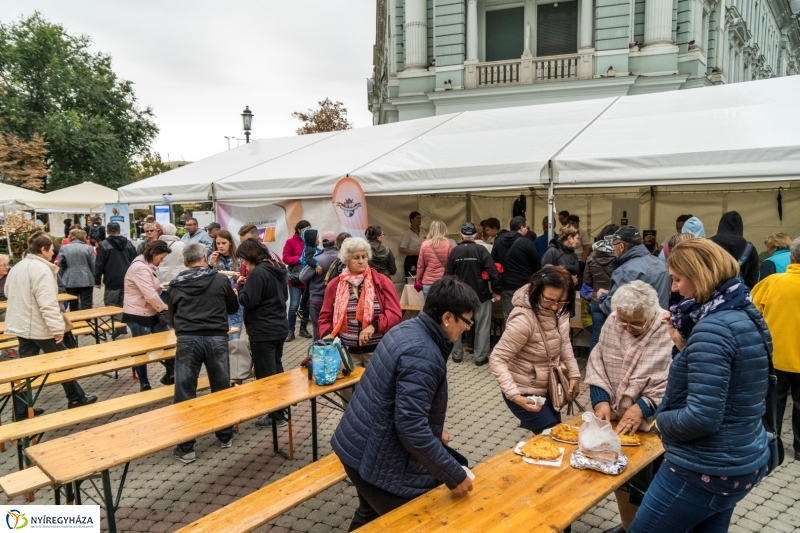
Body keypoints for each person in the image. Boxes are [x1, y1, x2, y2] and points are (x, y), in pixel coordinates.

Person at [628, 238, 771, 533]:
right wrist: (683, 345)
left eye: (678, 279)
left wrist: (660, 422)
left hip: (704, 467)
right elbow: (731, 383)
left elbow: (702, 416)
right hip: (740, 460)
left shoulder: (713, 327)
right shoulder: (745, 313)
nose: (676, 288)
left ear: (700, 276)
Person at [330, 277, 478, 530]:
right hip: (377, 460)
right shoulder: (424, 354)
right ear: (446, 317)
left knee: (369, 516)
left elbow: (394, 399)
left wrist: (432, 430)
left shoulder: (407, 328)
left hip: (358, 447)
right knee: (413, 524)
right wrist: (453, 475)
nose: (467, 328)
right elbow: (410, 426)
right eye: (466, 321)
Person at [584, 281, 673, 533]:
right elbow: (599, 359)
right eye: (624, 321)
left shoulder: (668, 326)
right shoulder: (614, 320)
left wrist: (642, 407)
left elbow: (671, 378)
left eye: (635, 323)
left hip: (653, 422)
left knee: (648, 478)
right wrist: (600, 398)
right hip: (613, 415)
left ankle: (647, 527)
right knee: (619, 476)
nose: (627, 327)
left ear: (652, 314)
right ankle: (626, 525)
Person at [6, 234, 97, 419]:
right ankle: (76, 398)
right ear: (43, 250)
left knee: (24, 369)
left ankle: (21, 410)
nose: (53, 253)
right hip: (41, 327)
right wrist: (57, 328)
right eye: (51, 250)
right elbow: (47, 302)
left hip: (23, 325)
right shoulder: (41, 270)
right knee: (61, 362)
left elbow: (8, 291)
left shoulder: (18, 266)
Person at [169, 243, 238, 463]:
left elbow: (171, 314)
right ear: (205, 257)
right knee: (221, 387)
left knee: (185, 390)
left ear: (184, 261)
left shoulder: (176, 283)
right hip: (216, 337)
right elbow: (233, 308)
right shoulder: (220, 279)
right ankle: (225, 436)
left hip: (188, 338)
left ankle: (187, 446)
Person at [490, 265, 579, 433]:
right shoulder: (524, 320)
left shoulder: (560, 312)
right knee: (552, 434)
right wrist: (515, 395)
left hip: (550, 387)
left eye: (561, 301)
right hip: (523, 389)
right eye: (549, 300)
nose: (554, 306)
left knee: (553, 434)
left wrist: (574, 375)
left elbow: (565, 343)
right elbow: (497, 358)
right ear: (536, 291)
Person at [319, 237, 403, 371]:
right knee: (348, 392)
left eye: (364, 257)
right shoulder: (334, 285)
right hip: (346, 352)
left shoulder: (382, 282)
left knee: (376, 390)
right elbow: (325, 317)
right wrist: (327, 334)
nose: (361, 261)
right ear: (347, 260)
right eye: (356, 257)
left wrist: (373, 326)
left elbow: (394, 313)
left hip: (377, 351)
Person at [752, 237, 800, 460]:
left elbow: (752, 312)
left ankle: (773, 444)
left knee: (773, 404)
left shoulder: (771, 283)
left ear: (792, 257)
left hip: (775, 356)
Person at [237, 239, 290, 428]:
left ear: (249, 256)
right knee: (276, 369)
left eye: (243, 259)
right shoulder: (276, 268)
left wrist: (241, 287)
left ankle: (276, 415)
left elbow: (248, 300)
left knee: (266, 375)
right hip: (278, 326)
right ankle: (282, 409)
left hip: (263, 329)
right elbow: (284, 296)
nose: (243, 263)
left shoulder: (258, 273)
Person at [445, 222, 501, 365]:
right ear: (476, 235)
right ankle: (480, 357)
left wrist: (449, 293)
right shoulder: (481, 250)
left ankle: (457, 355)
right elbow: (493, 272)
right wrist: (496, 291)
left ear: (460, 236)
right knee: (482, 326)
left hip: (459, 295)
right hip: (480, 294)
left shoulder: (455, 251)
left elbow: (448, 275)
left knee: (456, 323)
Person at [123, 241, 171, 391]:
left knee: (169, 343)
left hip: (151, 311)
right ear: (154, 254)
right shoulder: (139, 268)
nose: (161, 261)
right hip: (138, 313)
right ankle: (144, 383)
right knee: (141, 351)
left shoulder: (146, 266)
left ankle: (171, 374)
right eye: (161, 257)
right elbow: (149, 294)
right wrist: (163, 307)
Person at [597, 226, 670, 316]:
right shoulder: (662, 264)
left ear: (621, 246)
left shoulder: (624, 271)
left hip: (635, 326)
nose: (613, 248)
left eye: (614, 244)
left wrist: (602, 297)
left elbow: (615, 308)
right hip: (661, 324)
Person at [492, 216, 542, 319]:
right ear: (522, 227)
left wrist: (496, 287)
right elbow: (537, 264)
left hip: (506, 285)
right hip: (524, 286)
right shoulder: (526, 243)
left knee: (510, 318)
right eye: (526, 227)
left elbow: (493, 265)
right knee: (525, 318)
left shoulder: (498, 242)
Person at [94, 222, 137, 335]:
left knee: (111, 304)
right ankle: (122, 326)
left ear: (107, 231)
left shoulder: (104, 245)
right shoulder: (128, 243)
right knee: (124, 303)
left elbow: (99, 263)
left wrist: (97, 280)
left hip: (111, 279)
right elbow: (135, 260)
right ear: (119, 231)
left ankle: (118, 325)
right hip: (127, 279)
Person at [583, 224, 619, 350]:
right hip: (615, 301)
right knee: (616, 338)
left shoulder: (591, 257)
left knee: (597, 336)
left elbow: (587, 281)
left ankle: (592, 366)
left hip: (596, 300)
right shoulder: (620, 257)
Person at [299, 231, 340, 341]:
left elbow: (302, 277)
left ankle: (319, 355)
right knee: (336, 328)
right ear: (335, 242)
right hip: (338, 301)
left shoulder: (317, 259)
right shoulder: (342, 258)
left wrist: (315, 283)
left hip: (317, 299)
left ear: (322, 243)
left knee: (318, 329)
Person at [709, 211, 758, 289]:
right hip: (738, 295)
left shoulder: (707, 244)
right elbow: (752, 280)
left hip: (710, 293)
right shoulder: (750, 248)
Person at [209, 229, 243, 338]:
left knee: (234, 337)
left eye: (224, 243)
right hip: (218, 302)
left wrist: (238, 277)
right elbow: (206, 278)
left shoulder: (239, 257)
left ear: (230, 242)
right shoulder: (213, 258)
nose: (220, 246)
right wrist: (210, 264)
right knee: (221, 337)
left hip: (235, 299)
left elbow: (246, 276)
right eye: (218, 243)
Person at [282, 220, 311, 342]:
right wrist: (300, 259)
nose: (307, 232)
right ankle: (290, 331)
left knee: (307, 306)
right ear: (299, 230)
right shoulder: (290, 242)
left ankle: (303, 329)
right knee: (294, 306)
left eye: (309, 229)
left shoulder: (310, 241)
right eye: (305, 230)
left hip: (308, 280)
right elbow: (285, 258)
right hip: (295, 280)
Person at [59, 229, 96, 311]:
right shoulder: (89, 248)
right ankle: (87, 321)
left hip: (70, 279)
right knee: (87, 304)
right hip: (86, 279)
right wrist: (95, 278)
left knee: (73, 304)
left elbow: (61, 265)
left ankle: (75, 322)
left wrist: (60, 280)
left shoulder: (64, 248)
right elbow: (93, 264)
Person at [416, 220, 454, 301]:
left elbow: (420, 266)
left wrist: (418, 280)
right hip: (443, 282)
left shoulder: (425, 244)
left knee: (429, 311)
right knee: (443, 310)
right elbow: (451, 265)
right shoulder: (448, 244)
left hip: (428, 282)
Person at [399, 211, 423, 277]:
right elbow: (402, 249)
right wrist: (415, 252)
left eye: (420, 218)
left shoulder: (423, 232)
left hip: (421, 259)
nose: (420, 220)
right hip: (412, 259)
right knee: (412, 280)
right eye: (417, 218)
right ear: (412, 220)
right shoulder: (408, 234)